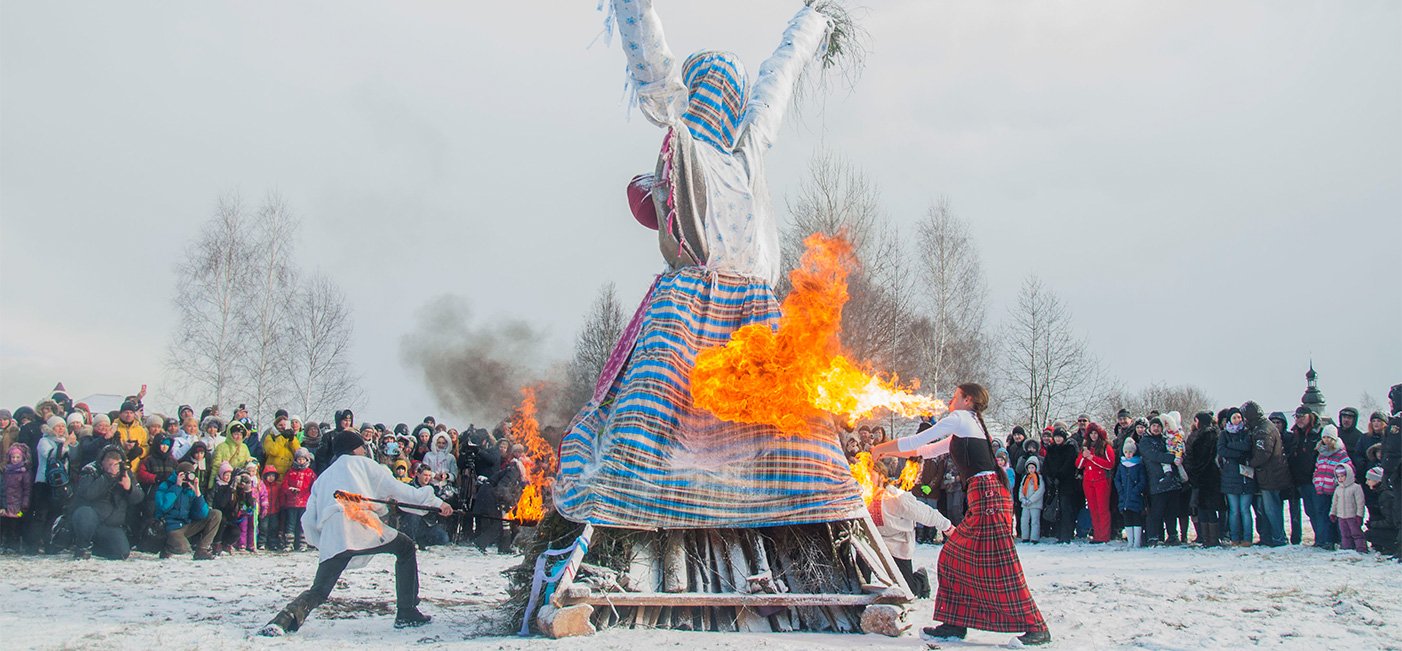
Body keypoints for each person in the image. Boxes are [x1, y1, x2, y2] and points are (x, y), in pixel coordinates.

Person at [873, 383, 1050, 646]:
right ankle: (955, 623)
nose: (950, 399)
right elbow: (927, 450)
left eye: (955, 395)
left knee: (1002, 566)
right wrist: (887, 450)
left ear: (968, 400)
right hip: (985, 497)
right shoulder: (967, 424)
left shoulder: (961, 418)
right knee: (953, 556)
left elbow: (918, 440)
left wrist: (880, 448)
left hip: (988, 497)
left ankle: (1036, 628)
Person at [259, 430, 449, 636]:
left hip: (334, 534)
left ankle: (283, 620)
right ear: (354, 448)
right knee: (405, 548)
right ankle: (407, 611)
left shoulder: (325, 476)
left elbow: (308, 517)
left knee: (320, 590)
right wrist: (437, 503)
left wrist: (322, 542)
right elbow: (403, 492)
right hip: (362, 525)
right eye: (361, 446)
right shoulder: (365, 465)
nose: (364, 450)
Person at [873, 472, 952, 597]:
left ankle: (920, 579)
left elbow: (924, 512)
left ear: (881, 477)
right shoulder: (864, 495)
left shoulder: (895, 497)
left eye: (872, 475)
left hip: (897, 543)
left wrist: (947, 526)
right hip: (873, 542)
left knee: (907, 590)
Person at [70, 445, 144, 560]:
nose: (113, 467)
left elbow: (138, 498)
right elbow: (88, 494)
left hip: (111, 524)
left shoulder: (126, 473)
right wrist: (107, 477)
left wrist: (129, 488)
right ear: (103, 462)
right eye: (110, 464)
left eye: (116, 464)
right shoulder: (90, 470)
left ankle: (96, 548)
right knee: (84, 514)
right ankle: (82, 546)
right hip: (92, 517)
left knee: (121, 553)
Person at [154, 461, 221, 560]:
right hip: (171, 526)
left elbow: (203, 514)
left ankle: (202, 550)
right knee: (183, 548)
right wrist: (177, 487)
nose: (187, 477)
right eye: (184, 475)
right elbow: (163, 507)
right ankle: (167, 548)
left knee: (216, 514)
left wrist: (198, 494)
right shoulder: (166, 485)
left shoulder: (190, 489)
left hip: (187, 524)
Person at [1246, 401, 1290, 547]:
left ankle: (1278, 538)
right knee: (1266, 509)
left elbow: (1263, 453)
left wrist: (1249, 463)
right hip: (1269, 475)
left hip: (1270, 476)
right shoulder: (1263, 427)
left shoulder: (1263, 430)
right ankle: (1269, 537)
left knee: (1271, 509)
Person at [1218, 408, 1256, 546]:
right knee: (1233, 510)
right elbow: (1222, 450)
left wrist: (1232, 447)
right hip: (1230, 476)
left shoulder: (1246, 433)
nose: (1237, 420)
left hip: (1245, 476)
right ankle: (1234, 538)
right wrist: (1237, 453)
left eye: (1239, 417)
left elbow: (1247, 447)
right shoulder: (1224, 434)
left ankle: (1247, 538)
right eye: (1234, 418)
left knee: (1245, 510)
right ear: (1229, 420)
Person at [1184, 411, 1222, 547]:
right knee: (1204, 508)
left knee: (1207, 508)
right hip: (1206, 475)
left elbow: (1203, 456)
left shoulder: (1206, 435)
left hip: (1205, 476)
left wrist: (1195, 471)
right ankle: (1208, 538)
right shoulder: (1211, 433)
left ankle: (1211, 539)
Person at [1076, 426, 1114, 543]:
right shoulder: (1085, 448)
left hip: (1101, 481)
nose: (1093, 436)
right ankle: (1097, 534)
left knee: (1102, 508)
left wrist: (1092, 458)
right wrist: (1084, 455)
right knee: (1093, 509)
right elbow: (1078, 465)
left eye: (1095, 433)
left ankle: (1104, 535)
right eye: (1091, 434)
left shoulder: (1106, 447)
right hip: (1088, 481)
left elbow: (1110, 464)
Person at [1041, 429, 1078, 544]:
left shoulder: (1069, 449)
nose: (1058, 439)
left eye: (1060, 437)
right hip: (1053, 483)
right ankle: (1058, 533)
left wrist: (1059, 476)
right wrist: (1050, 477)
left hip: (1066, 483)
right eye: (1056, 437)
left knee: (1065, 508)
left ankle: (1066, 534)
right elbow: (1046, 464)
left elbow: (1069, 464)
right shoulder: (1051, 449)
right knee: (1056, 509)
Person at [1115, 438, 1148, 548]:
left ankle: (1137, 541)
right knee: (1127, 519)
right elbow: (1117, 479)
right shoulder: (1121, 465)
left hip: (1135, 496)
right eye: (1126, 452)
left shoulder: (1139, 465)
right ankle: (1130, 541)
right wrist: (1120, 490)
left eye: (1130, 452)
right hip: (1124, 496)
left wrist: (1136, 490)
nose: (1128, 454)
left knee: (1136, 519)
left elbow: (1142, 481)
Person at [281, 448, 316, 552]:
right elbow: (284, 485)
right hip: (292, 502)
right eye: (299, 459)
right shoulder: (291, 472)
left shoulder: (310, 473)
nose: (301, 461)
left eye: (303, 459)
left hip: (304, 503)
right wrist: (289, 490)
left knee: (303, 523)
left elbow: (314, 487)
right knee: (290, 523)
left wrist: (311, 497)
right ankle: (289, 543)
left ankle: (303, 543)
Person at [0, 443, 33, 552]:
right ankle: (6, 544)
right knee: (5, 525)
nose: (15, 459)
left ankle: (14, 545)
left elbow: (27, 490)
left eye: (17, 457)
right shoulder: (5, 471)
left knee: (15, 525)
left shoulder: (24, 472)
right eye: (13, 457)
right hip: (6, 503)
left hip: (18, 505)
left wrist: (25, 504)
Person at [1330, 464, 1367, 553]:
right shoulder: (1338, 489)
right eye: (1338, 476)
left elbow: (1360, 503)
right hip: (1341, 516)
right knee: (1344, 534)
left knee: (1356, 533)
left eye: (1342, 476)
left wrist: (1359, 515)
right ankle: (1347, 548)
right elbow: (1334, 503)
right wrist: (1333, 513)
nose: (1340, 478)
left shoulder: (1356, 487)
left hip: (1352, 516)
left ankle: (1361, 548)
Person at [262, 413, 302, 478]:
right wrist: (282, 437)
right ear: (275, 426)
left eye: (284, 425)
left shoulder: (291, 436)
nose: (283, 427)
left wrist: (292, 440)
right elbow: (273, 451)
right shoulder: (270, 437)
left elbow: (298, 452)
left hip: (288, 473)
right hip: (273, 474)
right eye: (280, 425)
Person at [1018, 457, 1045, 544]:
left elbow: (1040, 491)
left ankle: (1034, 538)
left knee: (1035, 521)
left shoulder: (1039, 478)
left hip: (1035, 504)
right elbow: (1021, 489)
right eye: (1029, 467)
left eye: (1033, 467)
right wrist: (1022, 498)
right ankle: (1025, 537)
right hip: (1025, 503)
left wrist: (1031, 500)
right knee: (1024, 520)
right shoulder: (1025, 478)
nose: (1031, 469)